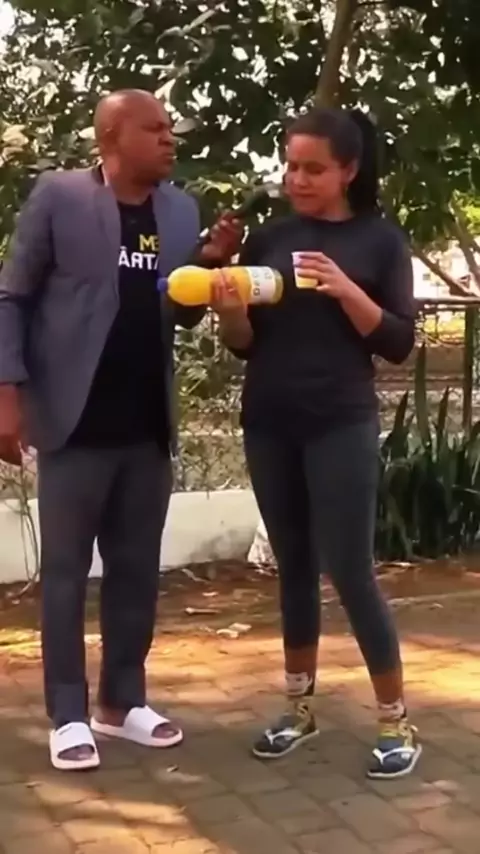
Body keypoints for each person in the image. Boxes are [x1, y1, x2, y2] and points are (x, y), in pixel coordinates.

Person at [0, 89, 242, 771]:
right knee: (66, 575)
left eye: (170, 128)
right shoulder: (59, 197)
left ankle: (122, 702)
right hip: (74, 421)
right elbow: (12, 296)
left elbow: (179, 310)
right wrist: (6, 393)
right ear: (111, 136)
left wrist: (209, 264)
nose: (170, 138)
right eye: (154, 128)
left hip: (145, 424)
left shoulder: (180, 210)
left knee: (136, 571)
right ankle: (68, 715)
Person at [213, 107, 421, 779]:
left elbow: (398, 342)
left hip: (340, 421)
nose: (296, 179)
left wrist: (344, 288)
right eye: (291, 165)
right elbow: (245, 346)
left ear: (348, 171)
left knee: (351, 570)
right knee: (294, 568)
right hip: (269, 419)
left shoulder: (379, 241)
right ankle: (298, 710)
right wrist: (232, 313)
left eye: (313, 169)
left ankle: (395, 722)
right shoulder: (271, 238)